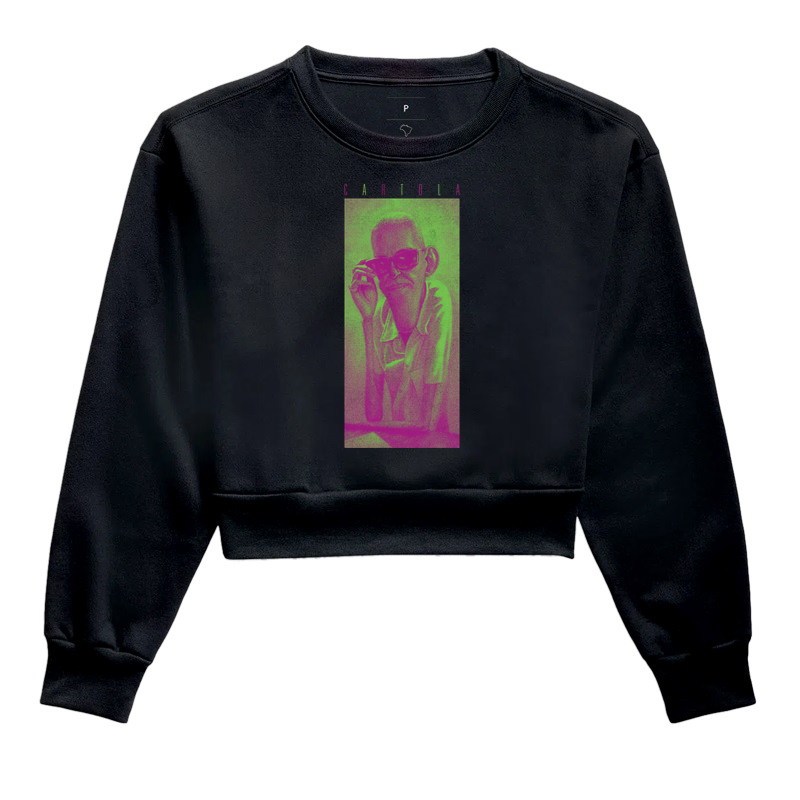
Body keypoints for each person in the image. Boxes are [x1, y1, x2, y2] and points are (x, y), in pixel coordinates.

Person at [349, 215, 453, 432]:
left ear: (429, 261)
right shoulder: (380, 313)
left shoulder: (438, 299)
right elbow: (374, 415)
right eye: (381, 264)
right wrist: (368, 319)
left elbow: (429, 424)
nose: (394, 273)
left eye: (405, 258)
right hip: (401, 440)